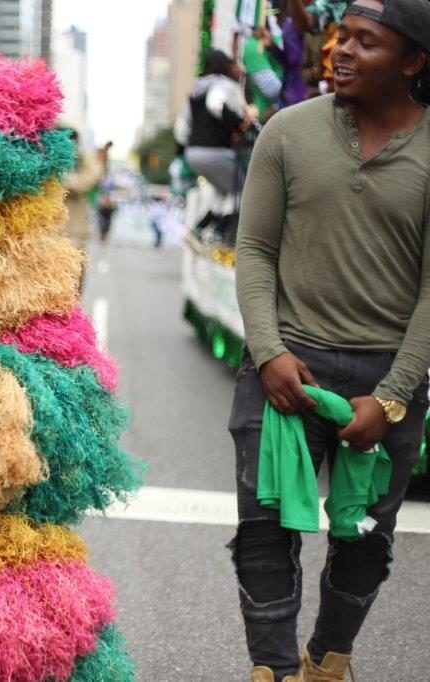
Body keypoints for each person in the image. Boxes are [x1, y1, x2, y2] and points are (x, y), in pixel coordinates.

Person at [231, 1, 430, 680]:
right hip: (284, 368)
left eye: (365, 43)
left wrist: (394, 396)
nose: (340, 51)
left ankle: (326, 662)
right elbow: (253, 250)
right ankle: (275, 671)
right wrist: (268, 352)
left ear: (413, 62)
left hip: (384, 379)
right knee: (264, 533)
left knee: (364, 542)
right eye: (340, 37)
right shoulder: (286, 132)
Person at [175, 50, 256, 198]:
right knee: (245, 193)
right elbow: (214, 104)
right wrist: (240, 123)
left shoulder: (195, 90)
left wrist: (193, 143)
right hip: (215, 152)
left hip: (193, 154)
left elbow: (181, 129)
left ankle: (217, 219)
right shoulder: (221, 83)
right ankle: (232, 220)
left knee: (222, 194)